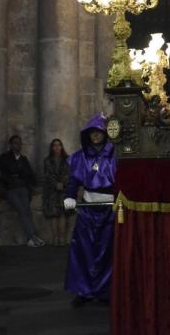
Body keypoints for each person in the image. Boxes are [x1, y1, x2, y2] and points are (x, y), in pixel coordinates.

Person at [63, 114, 116, 307]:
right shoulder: (80, 157)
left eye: (99, 132)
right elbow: (74, 181)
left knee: (106, 252)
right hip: (87, 210)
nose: (95, 135)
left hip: (109, 211)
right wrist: (69, 196)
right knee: (83, 251)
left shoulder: (115, 155)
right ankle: (83, 291)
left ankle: (104, 291)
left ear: (105, 134)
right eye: (92, 132)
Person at [0, 135, 43, 247]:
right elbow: (7, 172)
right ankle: (32, 236)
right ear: (10, 144)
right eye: (15, 143)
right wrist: (19, 172)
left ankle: (31, 238)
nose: (17, 145)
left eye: (19, 143)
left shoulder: (23, 159)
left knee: (27, 211)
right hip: (11, 189)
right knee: (22, 210)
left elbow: (29, 174)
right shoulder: (4, 157)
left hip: (23, 188)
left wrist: (19, 174)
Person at [42, 139, 70, 247]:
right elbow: (48, 175)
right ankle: (55, 238)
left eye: (59, 145)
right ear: (52, 147)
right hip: (51, 191)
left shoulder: (67, 159)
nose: (57, 147)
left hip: (64, 189)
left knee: (63, 214)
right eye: (54, 145)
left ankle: (62, 238)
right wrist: (56, 184)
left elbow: (69, 173)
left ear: (62, 147)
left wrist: (62, 183)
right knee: (54, 215)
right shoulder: (47, 160)